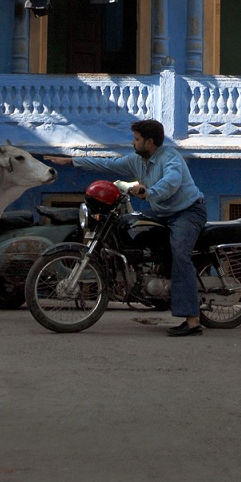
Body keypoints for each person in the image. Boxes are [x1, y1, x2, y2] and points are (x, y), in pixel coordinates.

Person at [61, 119, 208, 337]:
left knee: (180, 254)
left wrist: (149, 192)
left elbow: (171, 182)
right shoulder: (137, 160)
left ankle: (193, 320)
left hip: (187, 211)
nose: (133, 143)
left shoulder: (170, 158)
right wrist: (72, 161)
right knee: (129, 225)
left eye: (137, 139)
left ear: (149, 141)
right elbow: (108, 165)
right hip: (162, 212)